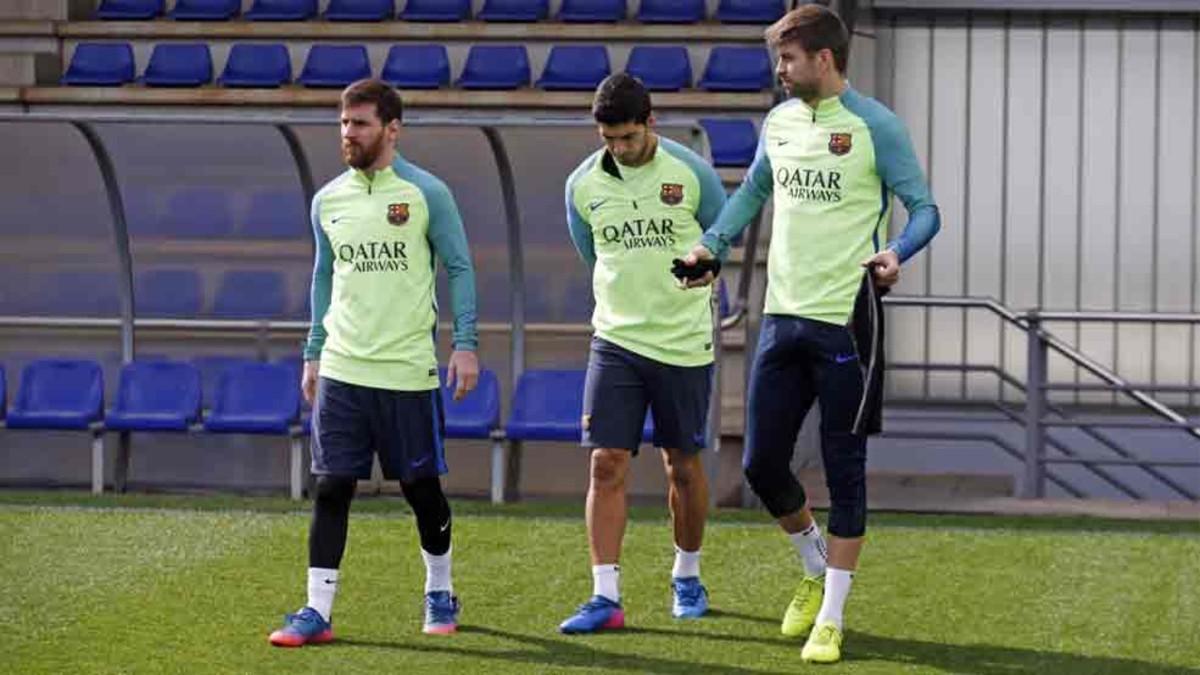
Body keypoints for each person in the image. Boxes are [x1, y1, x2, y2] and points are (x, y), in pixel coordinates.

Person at [681, 5, 940, 664]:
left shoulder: (877, 126)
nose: (779, 70)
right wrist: (711, 244)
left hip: (850, 321)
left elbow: (926, 209)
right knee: (762, 464)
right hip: (782, 316)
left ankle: (831, 615)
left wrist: (897, 253)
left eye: (788, 59)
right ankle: (814, 562)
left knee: (845, 471)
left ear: (824, 59)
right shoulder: (779, 122)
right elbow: (752, 193)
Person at [269, 78, 479, 647]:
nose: (347, 134)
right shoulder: (328, 200)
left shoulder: (426, 193)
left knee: (420, 488)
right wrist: (313, 351)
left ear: (391, 129)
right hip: (342, 370)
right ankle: (317, 610)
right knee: (332, 486)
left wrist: (465, 343)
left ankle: (440, 589)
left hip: (407, 371)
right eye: (342, 124)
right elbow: (323, 276)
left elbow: (459, 267)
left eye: (359, 124)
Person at [557, 73, 729, 634]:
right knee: (605, 462)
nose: (619, 150)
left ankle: (687, 573)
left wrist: (708, 270)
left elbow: (722, 238)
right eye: (609, 140)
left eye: (628, 138)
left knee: (681, 464)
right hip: (616, 341)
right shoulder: (581, 185)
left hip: (682, 341)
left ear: (651, 123)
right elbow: (591, 253)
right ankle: (605, 595)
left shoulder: (692, 173)